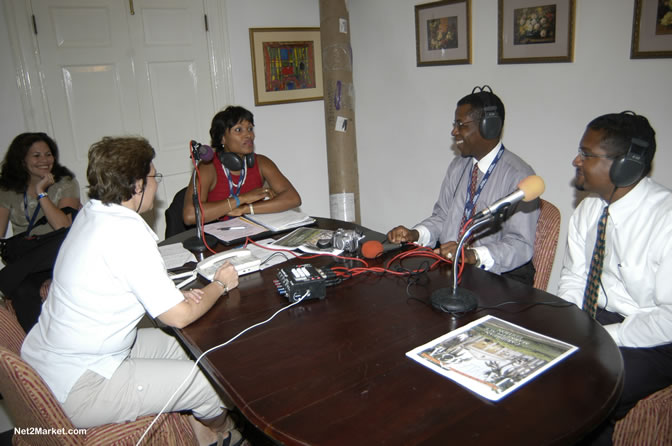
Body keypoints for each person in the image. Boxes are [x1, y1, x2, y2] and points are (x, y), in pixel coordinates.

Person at [21, 136, 245, 446]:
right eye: (153, 176)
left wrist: (171, 296)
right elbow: (178, 317)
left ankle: (202, 424)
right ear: (137, 185)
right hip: (79, 385)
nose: (156, 184)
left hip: (65, 357)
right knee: (211, 383)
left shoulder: (92, 213)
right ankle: (222, 433)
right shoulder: (127, 233)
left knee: (197, 349)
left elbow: (118, 280)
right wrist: (220, 284)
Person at [557, 112, 672, 445]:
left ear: (626, 166)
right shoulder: (589, 210)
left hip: (657, 337)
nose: (576, 161)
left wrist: (602, 338)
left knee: (587, 388)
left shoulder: (665, 221)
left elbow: (669, 318)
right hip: (600, 319)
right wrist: (566, 324)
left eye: (587, 154)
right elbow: (574, 277)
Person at [386, 86, 539, 284]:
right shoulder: (458, 166)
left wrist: (473, 255)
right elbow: (442, 216)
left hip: (494, 277)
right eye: (455, 124)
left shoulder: (520, 176)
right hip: (450, 268)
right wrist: (415, 234)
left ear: (489, 127)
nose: (454, 131)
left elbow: (520, 244)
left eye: (461, 125)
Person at [0, 132, 81, 332]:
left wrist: (41, 192)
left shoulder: (65, 183)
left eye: (48, 154)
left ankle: (6, 278)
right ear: (22, 159)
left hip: (59, 253)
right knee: (22, 291)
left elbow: (63, 226)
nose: (44, 160)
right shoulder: (7, 190)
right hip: (29, 260)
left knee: (64, 239)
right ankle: (38, 343)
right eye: (36, 155)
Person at [183, 105, 301, 225]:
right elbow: (190, 215)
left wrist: (245, 209)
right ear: (222, 138)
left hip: (253, 231)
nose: (248, 135)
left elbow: (293, 198)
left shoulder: (261, 162)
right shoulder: (208, 167)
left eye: (250, 128)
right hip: (218, 234)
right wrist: (242, 199)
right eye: (239, 130)